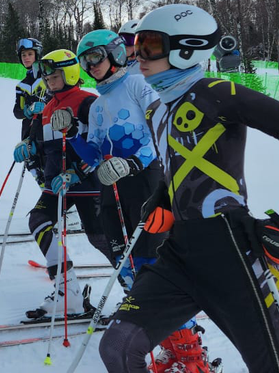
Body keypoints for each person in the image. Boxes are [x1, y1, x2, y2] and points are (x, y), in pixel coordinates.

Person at [98, 3, 279, 373]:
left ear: (186, 48)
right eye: (137, 46)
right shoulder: (157, 110)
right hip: (179, 255)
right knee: (119, 347)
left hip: (233, 251)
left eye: (151, 46)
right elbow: (176, 170)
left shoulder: (218, 92)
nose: (139, 56)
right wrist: (163, 201)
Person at [66, 30, 166, 292]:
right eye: (85, 61)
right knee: (122, 256)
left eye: (96, 57)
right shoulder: (99, 105)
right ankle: (135, 305)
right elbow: (95, 155)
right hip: (111, 184)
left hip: (144, 179)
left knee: (149, 254)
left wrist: (133, 163)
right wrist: (73, 134)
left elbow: (161, 130)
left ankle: (176, 328)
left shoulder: (137, 85)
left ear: (115, 53)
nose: (91, 66)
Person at [15, 49, 110, 319]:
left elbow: (100, 145)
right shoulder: (47, 107)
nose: (49, 80)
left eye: (54, 75)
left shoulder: (88, 102)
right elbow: (43, 144)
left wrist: (78, 172)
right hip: (56, 184)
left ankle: (138, 289)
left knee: (101, 238)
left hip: (88, 183)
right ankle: (67, 292)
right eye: (46, 76)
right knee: (39, 220)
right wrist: (28, 146)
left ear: (70, 73)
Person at [13, 37, 48, 187]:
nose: (26, 58)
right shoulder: (22, 85)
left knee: (50, 163)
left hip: (47, 129)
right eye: (23, 55)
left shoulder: (47, 78)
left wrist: (45, 107)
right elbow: (16, 111)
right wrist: (26, 111)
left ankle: (62, 200)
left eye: (29, 54)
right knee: (33, 165)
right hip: (29, 131)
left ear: (37, 54)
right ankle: (45, 194)